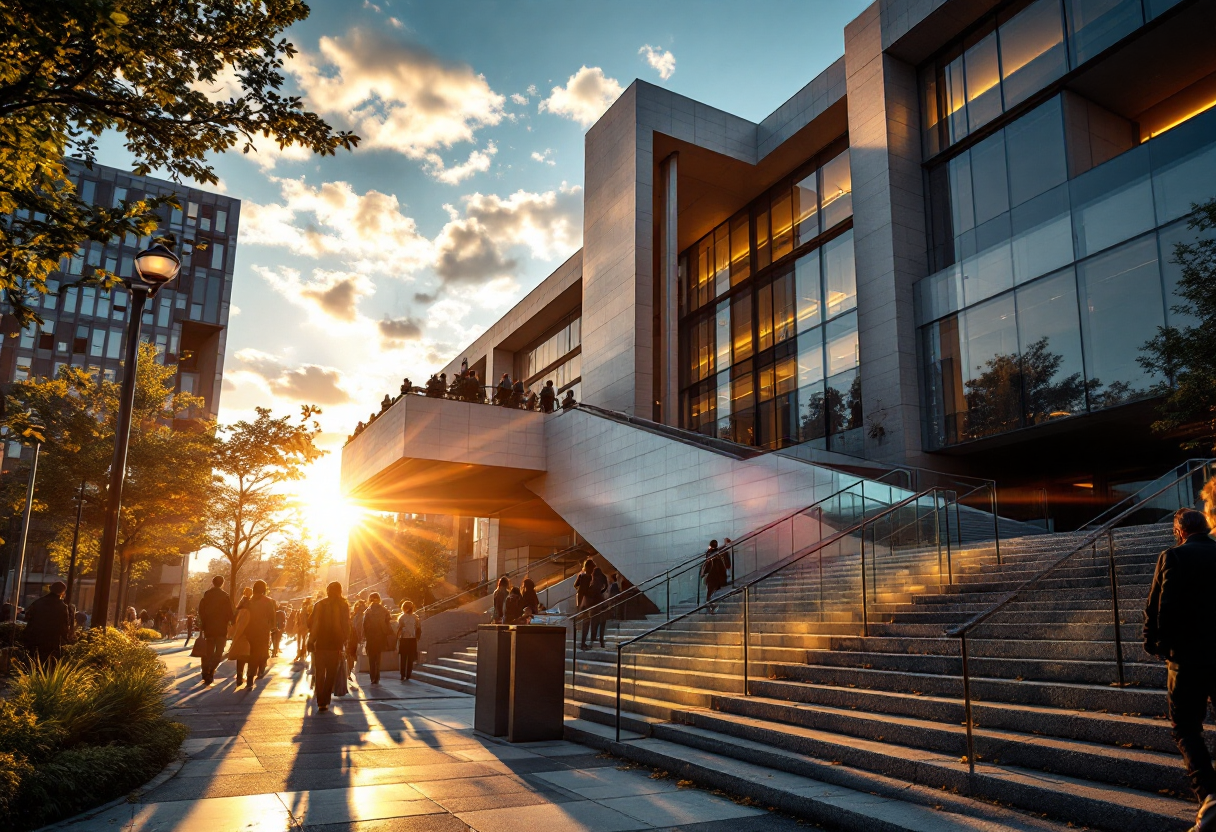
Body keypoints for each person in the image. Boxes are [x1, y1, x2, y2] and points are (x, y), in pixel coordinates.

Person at [1144, 508, 1216, 830]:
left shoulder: (1173, 556)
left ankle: (1210, 796)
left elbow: (1161, 605)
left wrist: (1157, 644)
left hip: (1187, 659)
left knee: (1186, 726)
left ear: (1179, 531)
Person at [309, 582, 351, 712]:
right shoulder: (343, 605)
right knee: (331, 673)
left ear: (327, 590)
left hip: (320, 643)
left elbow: (312, 623)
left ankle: (320, 699)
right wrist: (345, 639)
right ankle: (325, 700)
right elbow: (346, 624)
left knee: (320, 672)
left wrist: (311, 640)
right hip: (335, 644)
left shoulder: (319, 605)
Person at [197, 576, 234, 685]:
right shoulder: (225, 596)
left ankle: (205, 672)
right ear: (222, 583)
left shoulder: (207, 595)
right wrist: (232, 621)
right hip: (221, 629)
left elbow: (201, 610)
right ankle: (211, 671)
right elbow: (229, 612)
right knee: (219, 652)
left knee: (207, 652)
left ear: (212, 583)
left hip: (208, 629)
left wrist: (203, 623)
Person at [22, 581, 71, 662]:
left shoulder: (37, 602)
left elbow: (27, 617)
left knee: (33, 661)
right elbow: (64, 625)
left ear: (50, 589)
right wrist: (66, 638)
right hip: (52, 640)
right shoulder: (62, 607)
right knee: (49, 663)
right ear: (62, 593)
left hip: (35, 637)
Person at [240, 580, 276, 686]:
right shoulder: (268, 601)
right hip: (263, 632)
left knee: (251, 654)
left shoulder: (249, 601)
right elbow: (272, 616)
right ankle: (258, 671)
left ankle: (250, 675)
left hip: (249, 631)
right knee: (260, 653)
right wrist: (272, 627)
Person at [362, 592, 393, 684]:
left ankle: (373, 677)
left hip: (371, 637)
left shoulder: (368, 611)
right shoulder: (384, 610)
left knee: (371, 658)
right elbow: (388, 623)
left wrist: (364, 636)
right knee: (378, 658)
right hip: (380, 637)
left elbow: (364, 625)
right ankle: (377, 676)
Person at [575, 559, 606, 649]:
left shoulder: (582, 575)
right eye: (592, 567)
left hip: (583, 602)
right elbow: (584, 591)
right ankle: (583, 643)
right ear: (588, 567)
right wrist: (589, 592)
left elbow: (576, 586)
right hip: (585, 603)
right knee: (586, 623)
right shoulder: (587, 577)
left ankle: (583, 643)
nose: (593, 569)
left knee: (586, 623)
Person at [396, 601, 421, 681]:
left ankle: (402, 674)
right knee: (410, 658)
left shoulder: (401, 617)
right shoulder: (415, 617)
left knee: (403, 658)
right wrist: (417, 637)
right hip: (412, 640)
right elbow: (418, 628)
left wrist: (397, 638)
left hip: (404, 639)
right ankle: (408, 675)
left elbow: (399, 629)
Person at [702, 540, 728, 614]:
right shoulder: (718, 555)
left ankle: (710, 606)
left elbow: (707, 563)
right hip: (717, 576)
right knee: (713, 591)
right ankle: (711, 606)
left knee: (710, 591)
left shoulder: (709, 554)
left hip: (712, 576)